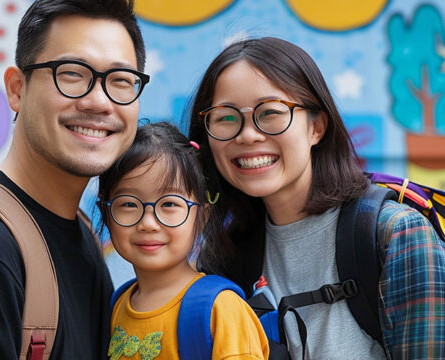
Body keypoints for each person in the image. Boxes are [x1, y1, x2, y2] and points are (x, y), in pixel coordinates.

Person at [0, 0, 148, 358]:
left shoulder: (81, 237)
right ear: (17, 89)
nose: (99, 101)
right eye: (72, 74)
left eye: (121, 81)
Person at [188, 37, 445, 359]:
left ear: (317, 127)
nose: (248, 134)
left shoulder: (396, 234)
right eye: (225, 117)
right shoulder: (223, 257)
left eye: (270, 112)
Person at [97, 122, 270, 360]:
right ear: (106, 215)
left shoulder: (220, 309)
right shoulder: (117, 306)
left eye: (169, 204)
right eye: (128, 204)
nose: (148, 222)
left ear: (201, 217)